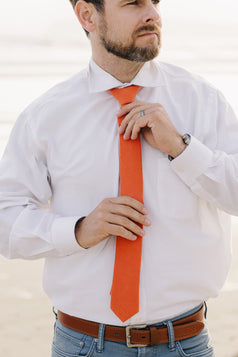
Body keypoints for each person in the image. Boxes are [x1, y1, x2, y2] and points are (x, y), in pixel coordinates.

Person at [0, 0, 237, 355]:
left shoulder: (203, 100)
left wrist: (182, 148)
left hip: (185, 343)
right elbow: (6, 219)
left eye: (155, 3)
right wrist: (78, 230)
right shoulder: (46, 116)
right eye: (133, 3)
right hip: (81, 345)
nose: (153, 14)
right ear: (87, 15)